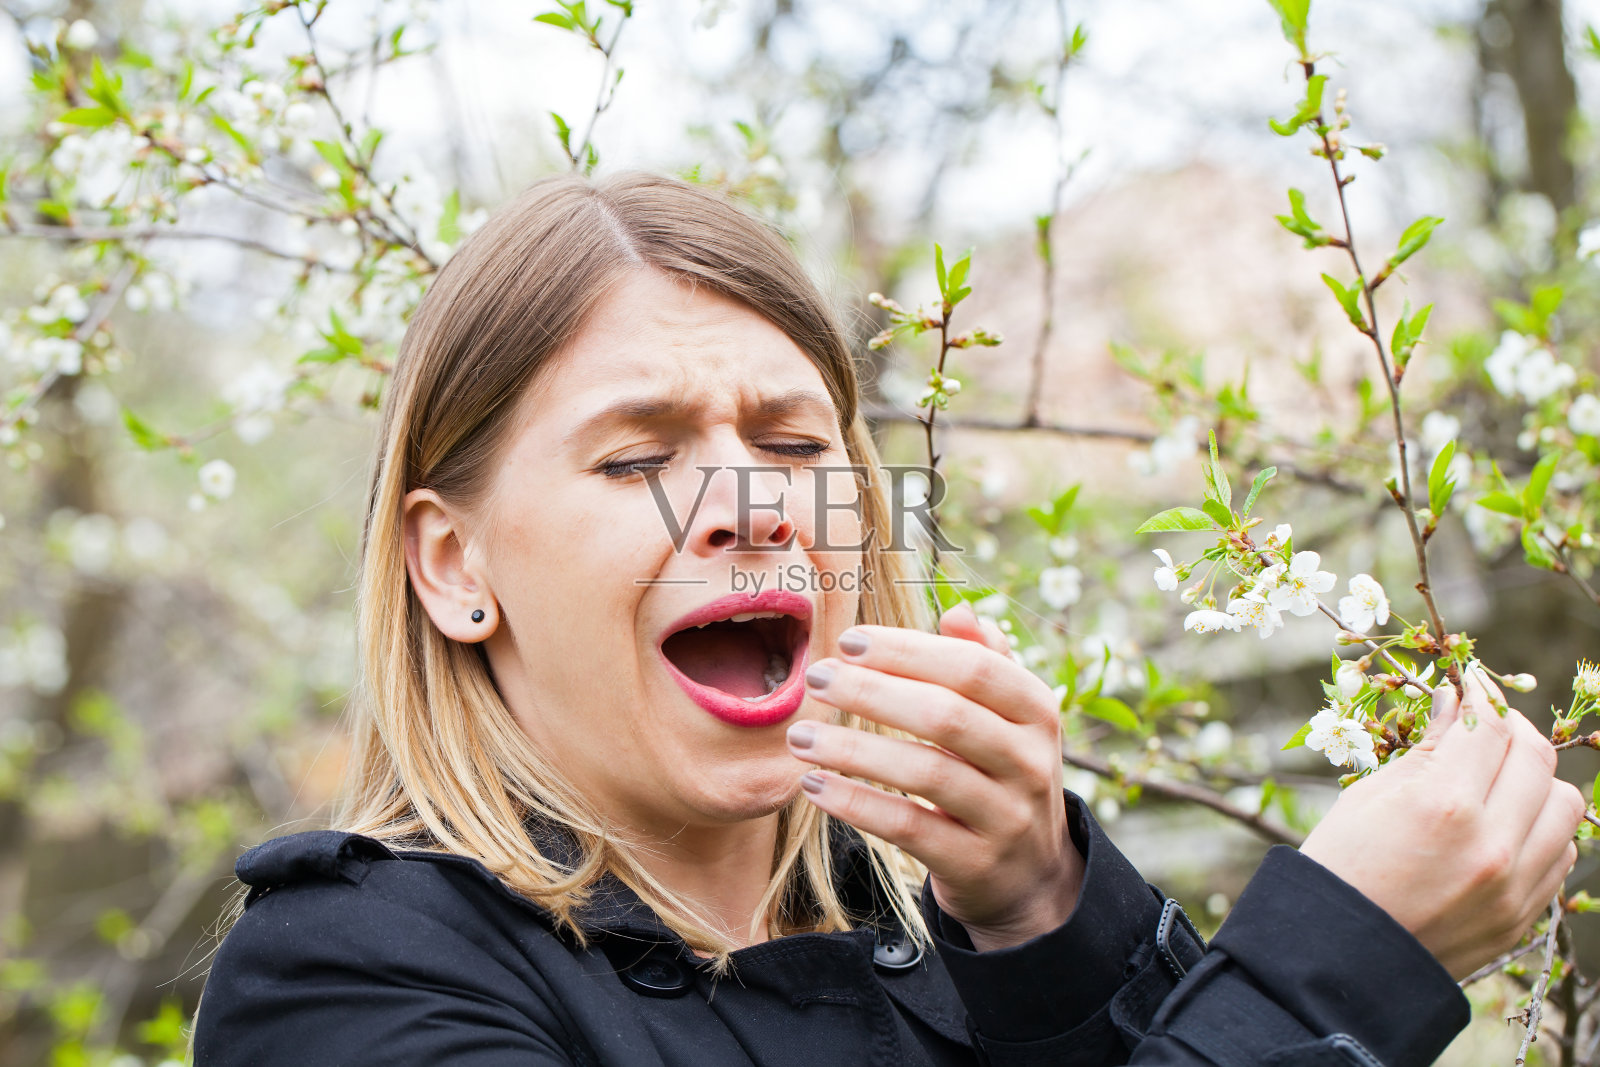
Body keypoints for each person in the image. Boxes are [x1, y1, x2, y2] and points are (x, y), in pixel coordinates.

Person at [193, 172, 1583, 1066]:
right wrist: (1334, 972)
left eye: (799, 446)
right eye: (635, 460)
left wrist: (1048, 913)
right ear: (451, 566)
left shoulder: (945, 950)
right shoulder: (353, 980)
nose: (745, 505)